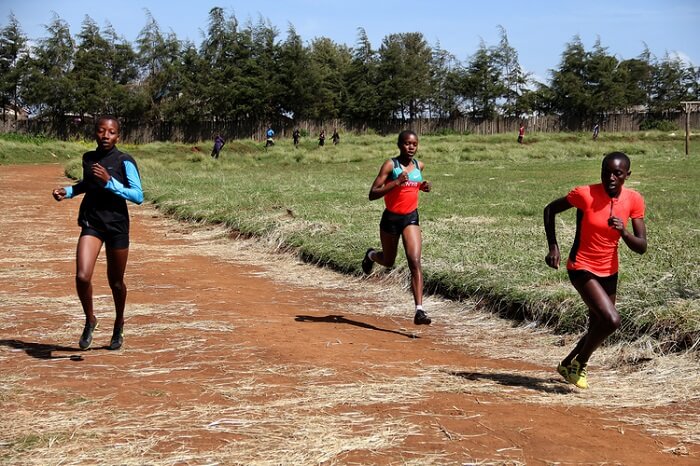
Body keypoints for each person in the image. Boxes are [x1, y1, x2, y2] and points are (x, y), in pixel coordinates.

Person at [543, 151, 647, 389]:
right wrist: (553, 247)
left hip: (609, 271)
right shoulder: (585, 194)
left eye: (617, 173)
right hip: (582, 267)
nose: (610, 177)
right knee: (611, 320)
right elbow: (550, 210)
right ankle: (580, 364)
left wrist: (624, 231)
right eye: (605, 172)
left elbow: (641, 247)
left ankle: (567, 364)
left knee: (597, 325)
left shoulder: (634, 200)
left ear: (627, 176)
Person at [52, 116, 144, 351]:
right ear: (95, 133)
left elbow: (138, 196)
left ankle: (119, 322)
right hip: (92, 222)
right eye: (101, 131)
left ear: (118, 136)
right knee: (82, 276)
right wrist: (69, 191)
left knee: (115, 282)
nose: (105, 135)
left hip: (117, 225)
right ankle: (90, 319)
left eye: (111, 132)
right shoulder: (88, 158)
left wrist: (110, 181)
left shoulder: (125, 160)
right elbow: (87, 184)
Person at [361, 130, 432, 325]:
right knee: (388, 260)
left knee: (414, 261)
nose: (411, 147)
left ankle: (419, 310)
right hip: (391, 219)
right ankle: (371, 255)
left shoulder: (419, 165)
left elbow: (413, 185)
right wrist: (396, 182)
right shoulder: (390, 165)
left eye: (415, 144)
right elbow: (373, 193)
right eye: (407, 143)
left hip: (410, 217)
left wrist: (422, 186)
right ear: (400, 145)